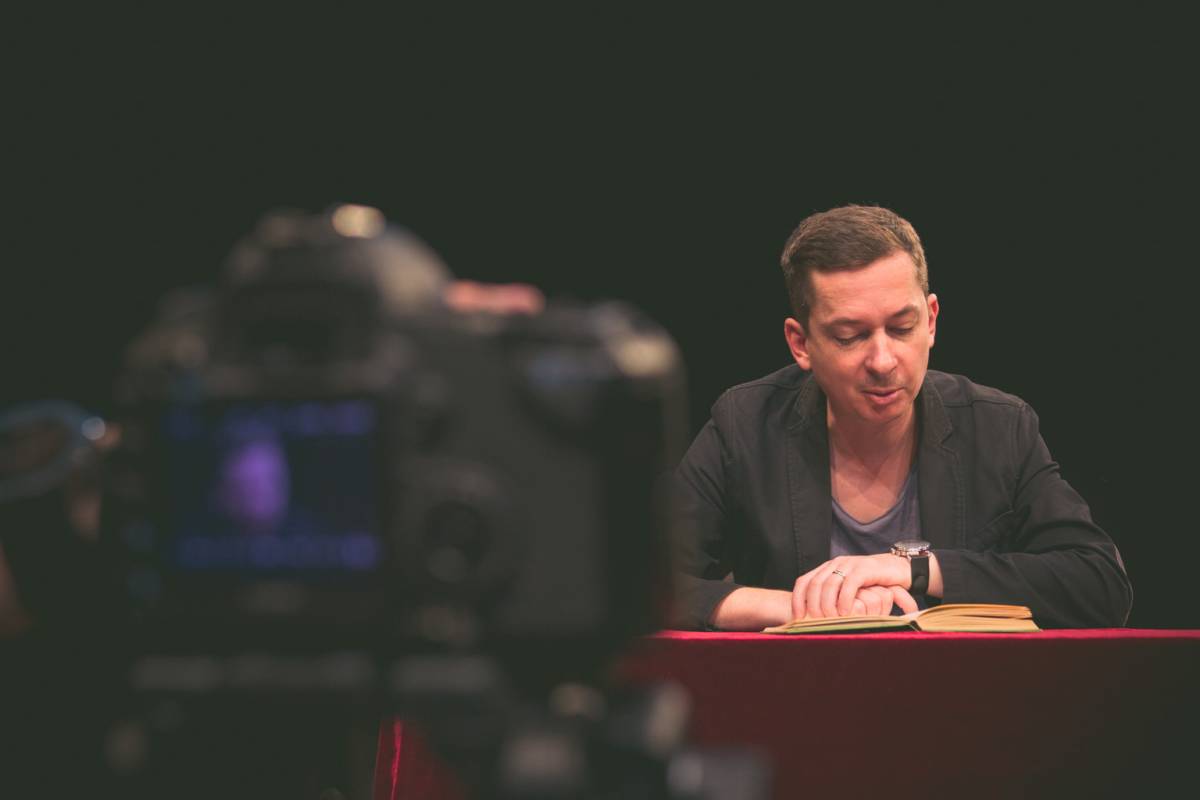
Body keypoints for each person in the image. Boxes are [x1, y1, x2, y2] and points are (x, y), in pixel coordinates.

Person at [672, 205, 1132, 630]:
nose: (883, 360)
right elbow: (648, 583)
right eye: (850, 336)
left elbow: (1100, 584)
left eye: (901, 328)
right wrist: (799, 607)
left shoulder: (999, 427)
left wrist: (916, 569)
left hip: (960, 690)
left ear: (930, 321)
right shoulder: (744, 425)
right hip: (799, 689)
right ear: (801, 344)